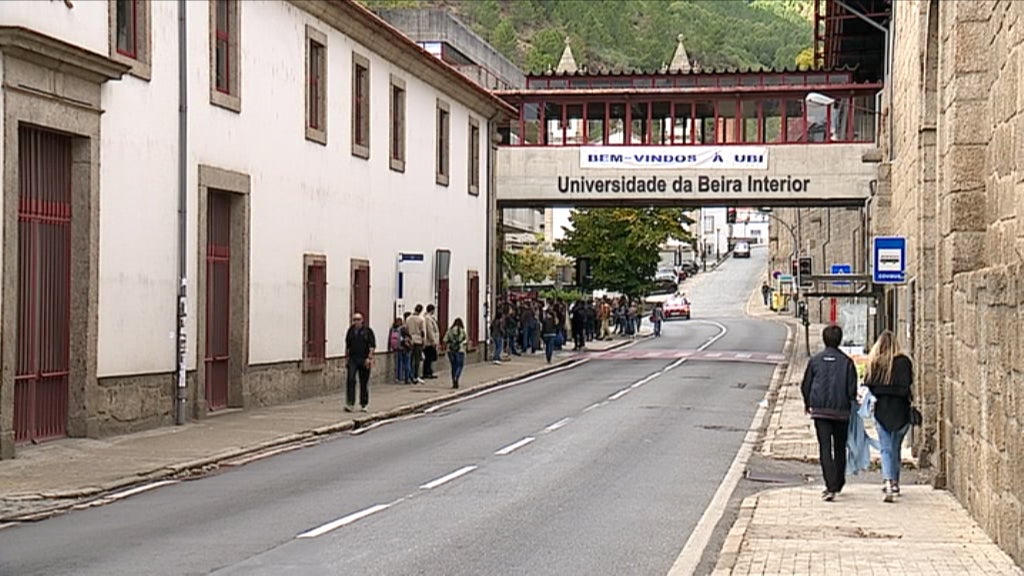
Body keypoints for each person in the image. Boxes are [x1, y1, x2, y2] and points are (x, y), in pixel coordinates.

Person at [801, 324, 858, 501]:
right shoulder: (847, 362)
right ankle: (839, 481)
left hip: (820, 411)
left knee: (825, 447)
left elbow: (806, 384)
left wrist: (808, 403)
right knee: (840, 447)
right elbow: (852, 389)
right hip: (841, 411)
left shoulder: (815, 361)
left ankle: (830, 485)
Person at [864, 330, 913, 502]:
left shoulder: (875, 363)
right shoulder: (904, 363)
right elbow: (907, 387)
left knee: (886, 449)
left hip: (882, 410)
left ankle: (888, 481)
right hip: (901, 411)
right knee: (895, 448)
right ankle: (895, 481)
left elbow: (869, 384)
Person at [344, 312, 376, 412]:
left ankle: (364, 403)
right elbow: (348, 346)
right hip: (353, 359)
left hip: (364, 359)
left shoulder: (368, 331)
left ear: (362, 320)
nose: (356, 322)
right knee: (351, 379)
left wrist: (369, 358)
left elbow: (372, 346)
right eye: (354, 320)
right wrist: (346, 359)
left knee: (364, 382)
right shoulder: (351, 331)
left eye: (358, 319)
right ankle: (350, 403)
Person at [444, 318, 468, 389]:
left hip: (450, 350)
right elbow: (465, 338)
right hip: (460, 350)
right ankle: (457, 377)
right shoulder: (462, 330)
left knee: (453, 366)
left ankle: (453, 379)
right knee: (460, 365)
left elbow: (445, 339)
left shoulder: (450, 330)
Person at [405, 304, 426, 383]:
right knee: (417, 359)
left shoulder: (408, 319)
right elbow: (423, 331)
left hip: (410, 340)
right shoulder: (421, 320)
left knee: (410, 359)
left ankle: (409, 375)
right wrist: (424, 341)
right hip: (418, 340)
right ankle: (416, 376)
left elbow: (406, 329)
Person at [423, 304, 440, 379]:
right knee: (429, 358)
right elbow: (430, 331)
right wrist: (433, 341)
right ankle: (427, 372)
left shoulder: (430, 318)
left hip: (430, 342)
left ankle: (429, 371)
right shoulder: (428, 319)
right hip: (429, 342)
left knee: (429, 358)